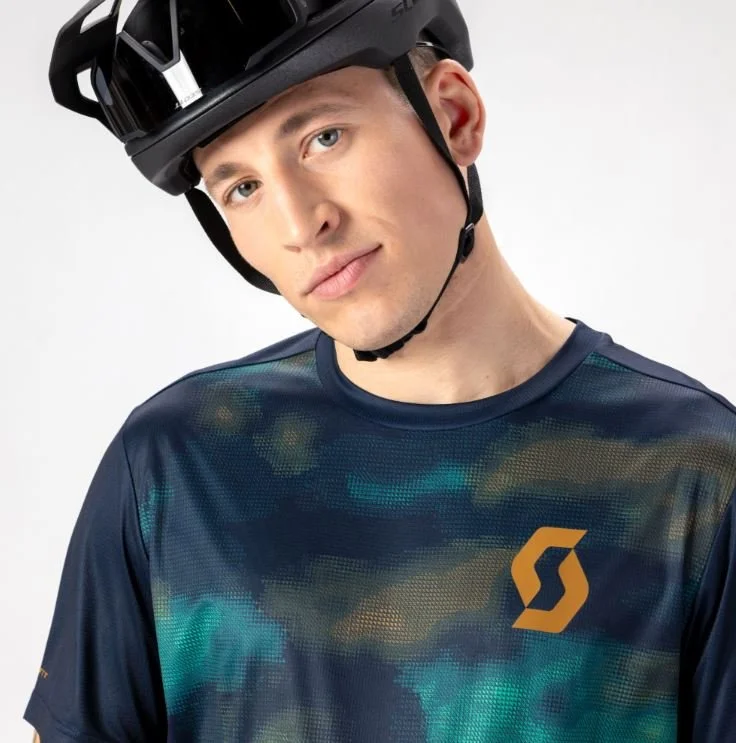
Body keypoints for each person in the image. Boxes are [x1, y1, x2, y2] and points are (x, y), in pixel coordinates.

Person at [25, 0, 735, 741]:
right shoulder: (175, 466)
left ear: (455, 116)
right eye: (242, 187)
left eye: (323, 138)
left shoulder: (694, 471)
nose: (301, 225)